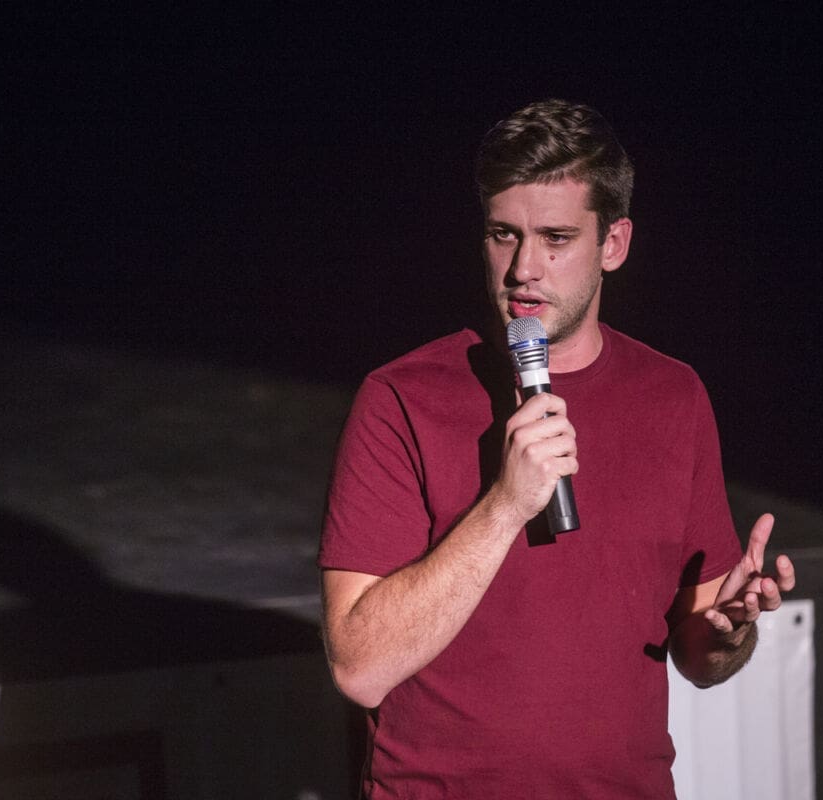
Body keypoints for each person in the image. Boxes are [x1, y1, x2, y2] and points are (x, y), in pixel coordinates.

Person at [318, 99, 796, 798]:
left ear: (614, 244)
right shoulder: (402, 398)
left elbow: (700, 657)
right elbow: (358, 667)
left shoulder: (673, 397)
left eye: (556, 238)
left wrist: (729, 635)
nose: (524, 268)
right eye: (504, 235)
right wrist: (505, 505)